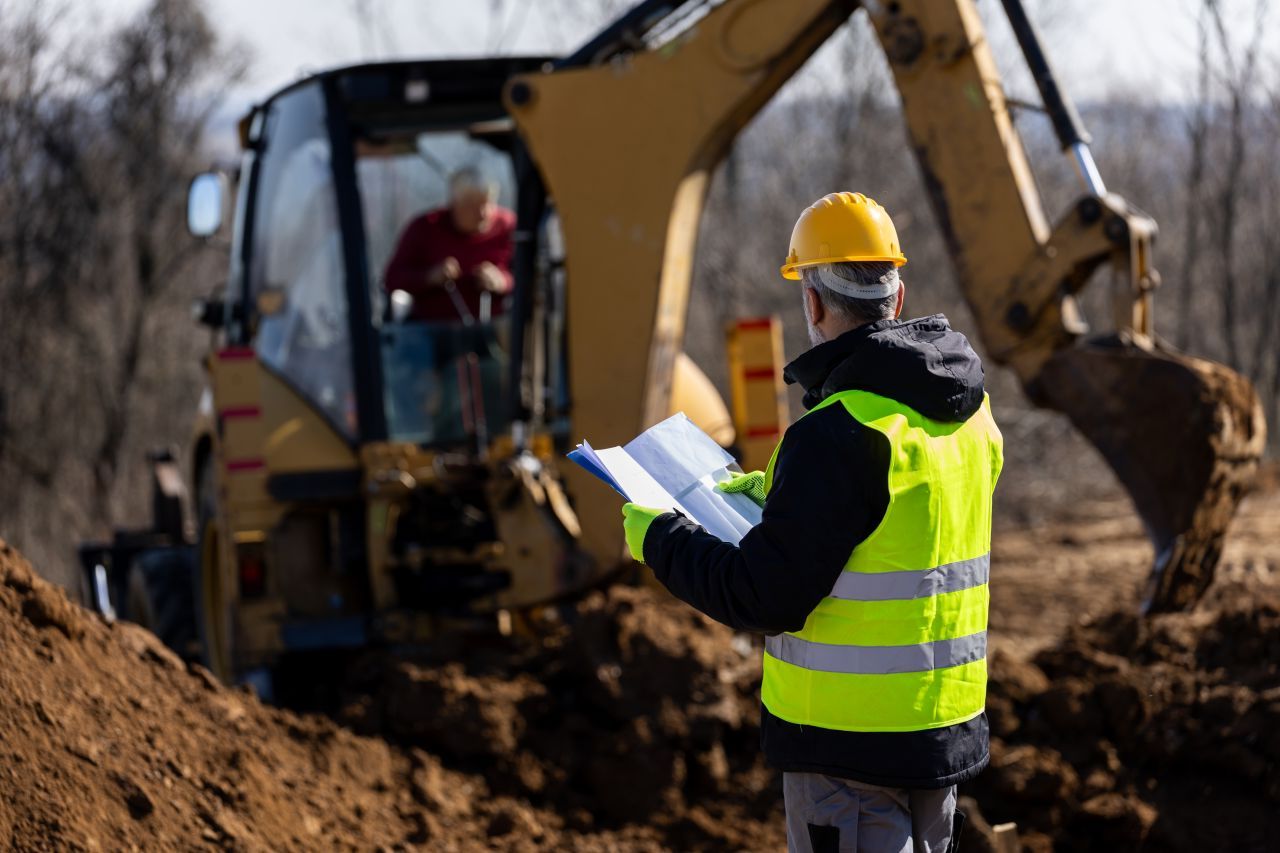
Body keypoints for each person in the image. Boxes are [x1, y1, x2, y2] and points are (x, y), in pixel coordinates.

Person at [621, 192, 1003, 853]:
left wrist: (658, 537)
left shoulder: (837, 432)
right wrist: (786, 496)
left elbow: (763, 594)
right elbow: (903, 524)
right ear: (898, 294)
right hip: (941, 729)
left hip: (847, 746)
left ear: (814, 303)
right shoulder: (972, 414)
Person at [383, 167, 515, 323]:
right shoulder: (425, 228)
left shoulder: (509, 227)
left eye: (487, 203)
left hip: (495, 330)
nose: (483, 213)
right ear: (454, 204)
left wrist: (502, 281)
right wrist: (429, 277)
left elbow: (533, 280)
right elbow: (392, 278)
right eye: (473, 206)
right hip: (432, 332)